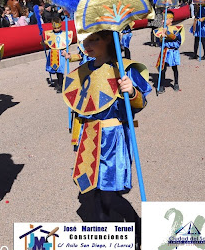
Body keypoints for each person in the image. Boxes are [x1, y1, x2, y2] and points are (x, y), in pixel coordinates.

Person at [64, 30, 151, 227]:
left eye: (94, 39)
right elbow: (79, 108)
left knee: (108, 195)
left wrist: (132, 92)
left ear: (109, 40)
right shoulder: (82, 71)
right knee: (93, 191)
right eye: (85, 40)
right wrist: (76, 139)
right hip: (89, 136)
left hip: (112, 138)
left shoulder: (124, 69)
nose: (87, 44)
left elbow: (141, 103)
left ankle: (137, 226)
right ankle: (104, 237)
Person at [154, 12, 184, 92]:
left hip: (173, 51)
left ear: (171, 20)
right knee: (163, 69)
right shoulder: (161, 29)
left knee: (174, 68)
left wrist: (167, 33)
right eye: (163, 19)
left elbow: (176, 38)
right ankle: (162, 85)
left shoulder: (175, 29)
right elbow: (158, 41)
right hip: (165, 51)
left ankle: (176, 83)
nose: (163, 21)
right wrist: (161, 37)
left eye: (165, 19)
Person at [43, 13, 73, 93]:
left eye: (58, 27)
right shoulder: (50, 34)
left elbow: (66, 43)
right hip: (53, 53)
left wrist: (66, 51)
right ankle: (59, 83)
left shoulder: (64, 34)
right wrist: (44, 42)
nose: (57, 29)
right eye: (55, 28)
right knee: (55, 69)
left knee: (60, 70)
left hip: (61, 53)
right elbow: (48, 42)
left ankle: (61, 84)